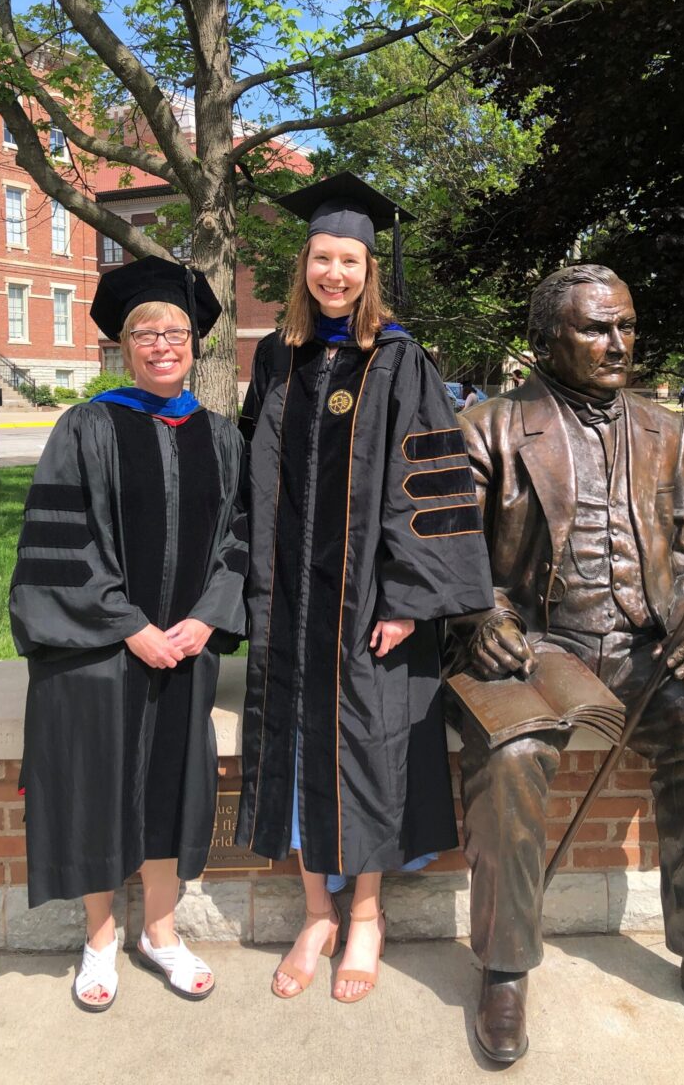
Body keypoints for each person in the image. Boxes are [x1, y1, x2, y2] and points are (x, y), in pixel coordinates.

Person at [449, 264, 684, 1064]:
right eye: (596, 328)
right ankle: (504, 968)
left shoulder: (666, 431)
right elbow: (452, 557)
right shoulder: (491, 429)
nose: (619, 343)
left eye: (627, 326)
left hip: (643, 649)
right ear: (545, 341)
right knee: (512, 755)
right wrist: (481, 617)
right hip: (535, 647)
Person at [235, 171, 494, 1003]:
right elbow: (251, 476)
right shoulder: (279, 356)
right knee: (300, 746)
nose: (333, 273)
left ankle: (368, 915)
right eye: (321, 257)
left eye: (349, 259)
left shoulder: (400, 358)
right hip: (288, 601)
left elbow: (432, 482)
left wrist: (409, 600)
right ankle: (317, 911)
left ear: (369, 267)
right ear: (303, 265)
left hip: (367, 607)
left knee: (371, 749)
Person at [10, 257, 248, 1012]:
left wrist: (208, 616)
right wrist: (130, 627)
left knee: (170, 789)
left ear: (196, 342)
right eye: (144, 332)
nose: (160, 344)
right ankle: (100, 937)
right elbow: (60, 542)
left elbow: (242, 539)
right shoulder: (85, 425)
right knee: (96, 788)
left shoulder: (222, 437)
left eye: (174, 330)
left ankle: (161, 933)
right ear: (122, 346)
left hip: (188, 650)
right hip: (100, 658)